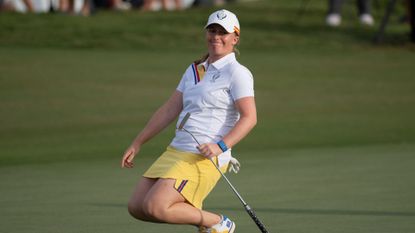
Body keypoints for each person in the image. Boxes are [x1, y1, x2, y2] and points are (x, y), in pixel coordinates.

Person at [121, 9, 257, 233]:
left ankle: (218, 223)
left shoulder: (237, 73)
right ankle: (209, 225)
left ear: (235, 38)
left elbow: (249, 118)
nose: (216, 37)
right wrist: (138, 142)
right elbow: (169, 109)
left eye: (222, 32)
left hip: (204, 156)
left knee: (155, 206)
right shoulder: (195, 70)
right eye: (212, 30)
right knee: (137, 207)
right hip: (177, 150)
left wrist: (221, 146)